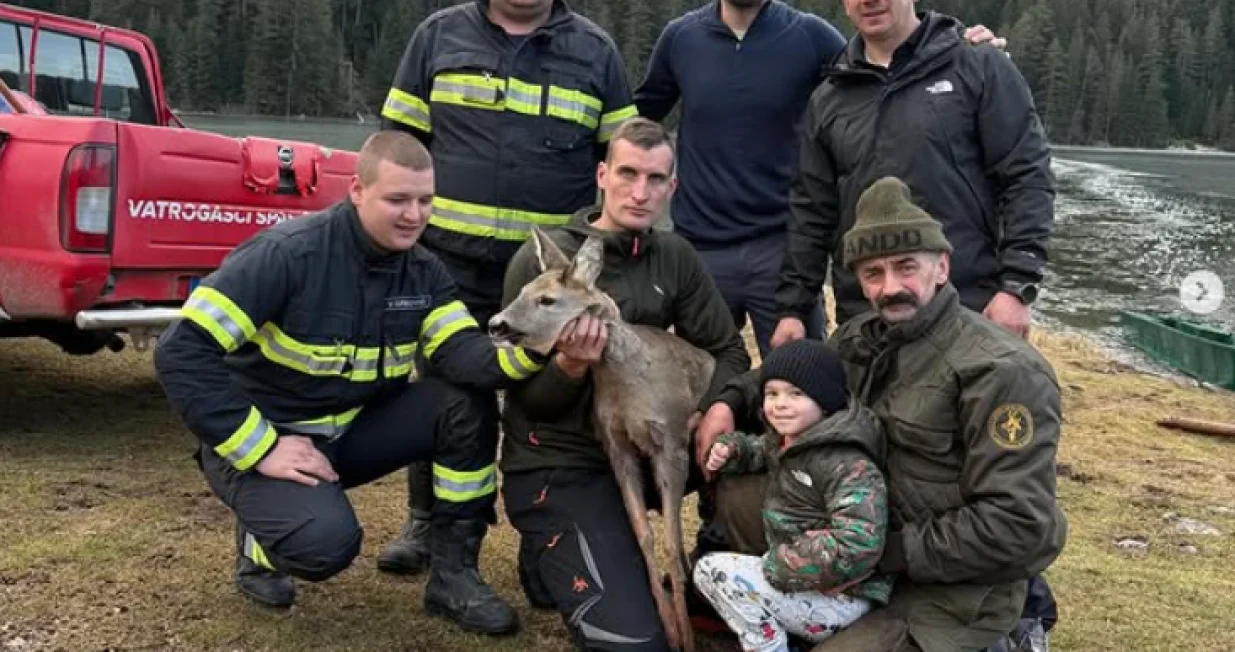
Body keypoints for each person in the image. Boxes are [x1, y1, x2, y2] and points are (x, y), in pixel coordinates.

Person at [152, 131, 547, 635]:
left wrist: (539, 348)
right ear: (357, 191)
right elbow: (180, 350)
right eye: (398, 200)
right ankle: (259, 543)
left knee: (460, 402)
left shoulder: (424, 272)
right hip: (269, 441)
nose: (414, 215)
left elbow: (463, 355)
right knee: (324, 547)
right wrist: (261, 448)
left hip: (350, 435)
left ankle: (453, 575)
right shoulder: (285, 256)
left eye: (425, 201)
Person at [702, 177, 1067, 651]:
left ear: (942, 267)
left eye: (905, 267)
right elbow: (797, 372)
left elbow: (1021, 528)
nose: (890, 287)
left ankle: (1007, 637)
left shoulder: (1001, 372)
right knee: (740, 487)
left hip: (946, 588)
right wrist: (728, 401)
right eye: (873, 273)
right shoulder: (860, 339)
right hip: (859, 539)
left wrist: (877, 554)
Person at [376, 0, 639, 574]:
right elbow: (395, 153)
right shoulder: (436, 37)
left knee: (547, 399)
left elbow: (621, 163)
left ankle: (542, 530)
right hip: (445, 265)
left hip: (542, 279)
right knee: (447, 395)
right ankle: (429, 520)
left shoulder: (596, 52)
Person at [496, 117, 751, 649]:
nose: (640, 192)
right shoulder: (544, 263)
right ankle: (552, 539)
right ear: (602, 174)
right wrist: (569, 366)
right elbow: (522, 400)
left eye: (656, 179)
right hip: (565, 463)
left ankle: (716, 562)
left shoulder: (672, 256)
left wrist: (719, 409)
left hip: (647, 449)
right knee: (635, 644)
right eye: (628, 173)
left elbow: (727, 350)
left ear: (672, 187)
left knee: (752, 464)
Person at [635, 0, 1008, 357]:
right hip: (701, 248)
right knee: (702, 382)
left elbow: (882, 62)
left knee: (801, 386)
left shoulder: (809, 35)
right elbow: (639, 121)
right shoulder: (680, 38)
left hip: (781, 248)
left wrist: (958, 42)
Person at [771, 0, 1053, 348]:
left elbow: (1027, 177)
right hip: (866, 318)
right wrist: (793, 310)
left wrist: (1016, 287)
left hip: (966, 309)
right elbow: (812, 211)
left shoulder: (977, 65)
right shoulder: (829, 97)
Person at [694, 339, 892, 652]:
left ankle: (768, 646)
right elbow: (759, 450)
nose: (780, 403)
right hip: (807, 579)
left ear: (825, 400)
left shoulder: (846, 462)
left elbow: (859, 541)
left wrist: (780, 565)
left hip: (843, 598)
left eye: (796, 394)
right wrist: (732, 450)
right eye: (772, 393)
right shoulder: (792, 439)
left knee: (711, 571)